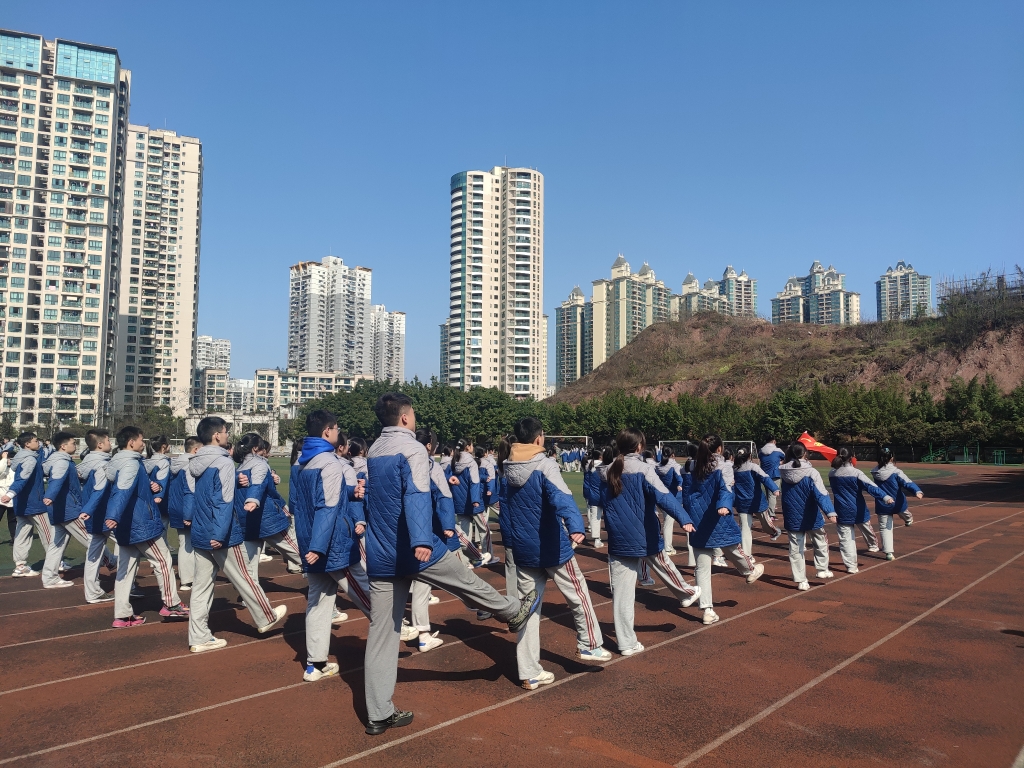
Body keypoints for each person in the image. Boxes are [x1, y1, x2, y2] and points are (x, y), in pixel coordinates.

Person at [362, 392, 540, 736]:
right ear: (404, 418)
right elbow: (415, 494)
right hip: (410, 547)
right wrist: (420, 541)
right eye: (412, 415)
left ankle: (378, 713)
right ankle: (510, 612)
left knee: (381, 634)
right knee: (463, 578)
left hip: (381, 551)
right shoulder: (412, 448)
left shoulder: (374, 450)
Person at [500, 417, 611, 690]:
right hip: (552, 546)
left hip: (524, 550)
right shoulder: (545, 464)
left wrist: (511, 544)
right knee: (578, 593)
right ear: (539, 438)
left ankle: (529, 672)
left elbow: (505, 512)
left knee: (528, 609)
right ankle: (589, 644)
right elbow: (562, 496)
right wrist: (576, 525)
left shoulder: (505, 468)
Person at [188, 417, 286, 652]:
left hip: (200, 529)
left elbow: (205, 495)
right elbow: (222, 501)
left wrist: (237, 482)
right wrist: (220, 534)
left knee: (201, 587)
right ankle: (266, 616)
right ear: (216, 436)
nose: (227, 435)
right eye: (225, 431)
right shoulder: (223, 463)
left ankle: (199, 636)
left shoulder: (195, 463)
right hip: (222, 532)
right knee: (245, 576)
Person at [602, 428, 700, 655]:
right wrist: (684, 519)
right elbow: (663, 496)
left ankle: (626, 644)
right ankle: (685, 593)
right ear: (639, 447)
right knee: (663, 562)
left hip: (618, 537)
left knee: (622, 596)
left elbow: (600, 500)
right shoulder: (645, 469)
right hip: (643, 533)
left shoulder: (607, 471)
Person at [292, 411, 372, 682]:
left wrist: (351, 493)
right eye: (337, 428)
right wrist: (320, 546)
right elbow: (326, 507)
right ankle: (397, 628)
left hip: (310, 540)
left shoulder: (302, 462)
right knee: (364, 591)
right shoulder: (330, 463)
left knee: (318, 602)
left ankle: (315, 664)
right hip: (331, 543)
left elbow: (309, 502)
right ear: (328, 431)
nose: (339, 433)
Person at [104, 426, 189, 627]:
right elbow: (122, 491)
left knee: (126, 570)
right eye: (141, 440)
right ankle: (171, 604)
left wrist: (151, 487)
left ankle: (122, 615)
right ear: (131, 442)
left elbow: (124, 488)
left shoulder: (118, 462)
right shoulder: (130, 464)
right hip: (140, 522)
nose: (144, 443)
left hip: (127, 523)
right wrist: (112, 515)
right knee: (163, 561)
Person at [683, 436, 765, 625]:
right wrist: (724, 505)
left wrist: (685, 515)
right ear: (719, 449)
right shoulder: (724, 466)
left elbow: (687, 492)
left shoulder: (692, 466)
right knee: (733, 548)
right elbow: (726, 489)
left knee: (702, 566)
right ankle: (748, 570)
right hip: (718, 516)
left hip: (697, 518)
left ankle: (707, 609)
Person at [409, 428, 457, 653]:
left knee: (402, 586)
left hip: (399, 534)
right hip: (426, 534)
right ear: (429, 446)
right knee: (423, 585)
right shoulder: (430, 466)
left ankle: (404, 628)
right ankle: (423, 634)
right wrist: (448, 526)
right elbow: (443, 497)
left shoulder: (401, 462)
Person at [233, 432, 303, 578]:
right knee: (296, 551)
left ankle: (249, 599)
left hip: (246, 519)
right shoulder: (259, 463)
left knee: (249, 566)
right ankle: (324, 574)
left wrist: (271, 478)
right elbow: (257, 484)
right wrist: (253, 499)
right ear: (256, 448)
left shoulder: (240, 467)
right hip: (266, 517)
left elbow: (256, 482)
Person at [779, 443, 837, 590]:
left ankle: (801, 581)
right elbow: (821, 493)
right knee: (820, 540)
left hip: (792, 514)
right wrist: (830, 511)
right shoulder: (811, 472)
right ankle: (822, 569)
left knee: (795, 548)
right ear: (805, 454)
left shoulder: (783, 471)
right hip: (810, 513)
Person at [40, 431, 90, 590]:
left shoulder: (63, 461)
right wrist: (50, 496)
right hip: (69, 509)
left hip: (59, 510)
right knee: (93, 540)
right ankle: (111, 561)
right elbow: (57, 480)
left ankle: (49, 578)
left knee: (56, 545)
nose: (75, 445)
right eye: (73, 443)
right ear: (63, 446)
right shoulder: (62, 461)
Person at [829, 448, 892, 573]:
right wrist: (885, 496)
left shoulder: (832, 474)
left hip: (841, 510)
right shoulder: (856, 473)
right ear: (852, 457)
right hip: (858, 508)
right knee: (866, 527)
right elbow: (870, 486)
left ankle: (851, 566)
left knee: (846, 540)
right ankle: (873, 545)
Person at [3, 432, 52, 578]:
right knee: (48, 534)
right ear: (27, 444)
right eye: (36, 440)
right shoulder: (30, 459)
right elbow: (22, 480)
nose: (39, 443)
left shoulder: (21, 457)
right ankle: (57, 562)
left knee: (22, 535)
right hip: (34, 504)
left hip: (22, 504)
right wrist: (11, 493)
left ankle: (20, 566)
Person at [77, 429, 117, 603]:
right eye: (108, 440)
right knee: (131, 546)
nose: (111, 443)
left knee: (93, 554)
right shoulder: (103, 465)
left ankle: (92, 592)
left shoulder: (84, 464)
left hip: (93, 513)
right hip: (105, 513)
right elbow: (99, 490)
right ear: (100, 444)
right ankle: (129, 587)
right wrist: (89, 509)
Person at [871, 448, 924, 561]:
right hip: (898, 502)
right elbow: (907, 482)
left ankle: (889, 553)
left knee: (885, 528)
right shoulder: (896, 472)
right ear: (892, 458)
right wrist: (917, 491)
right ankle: (908, 519)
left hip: (883, 503)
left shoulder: (875, 472)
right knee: (904, 512)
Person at [732, 446, 781, 557]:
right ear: (749, 456)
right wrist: (775, 488)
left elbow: (764, 478)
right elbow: (765, 478)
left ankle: (774, 531)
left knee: (759, 526)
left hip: (746, 502)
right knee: (746, 528)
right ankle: (747, 556)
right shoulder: (750, 467)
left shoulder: (736, 468)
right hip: (754, 502)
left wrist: (773, 488)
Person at [167, 436, 199, 590]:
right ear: (196, 450)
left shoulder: (175, 463)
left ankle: (187, 579)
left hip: (175, 507)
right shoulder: (190, 465)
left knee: (184, 543)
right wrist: (188, 514)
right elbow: (190, 491)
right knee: (190, 545)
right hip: (187, 508)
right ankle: (188, 579)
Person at [654, 447, 685, 556]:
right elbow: (679, 477)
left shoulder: (657, 466)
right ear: (673, 454)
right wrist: (680, 484)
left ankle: (666, 546)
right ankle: (667, 547)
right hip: (673, 498)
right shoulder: (674, 465)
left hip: (661, 497)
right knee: (671, 522)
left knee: (667, 522)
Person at [144, 435, 172, 542]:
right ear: (164, 446)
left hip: (148, 499)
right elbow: (162, 480)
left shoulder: (147, 461)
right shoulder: (164, 462)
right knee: (162, 527)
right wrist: (159, 495)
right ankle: (162, 547)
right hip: (162, 501)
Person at [582, 449, 605, 548]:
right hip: (604, 495)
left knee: (595, 517)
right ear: (600, 456)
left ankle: (597, 539)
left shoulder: (589, 466)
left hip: (593, 495)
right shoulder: (604, 466)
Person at [759, 438, 786, 518]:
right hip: (775, 474)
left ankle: (768, 510)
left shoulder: (761, 451)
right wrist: (780, 462)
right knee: (772, 494)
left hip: (764, 474)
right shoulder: (778, 450)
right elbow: (785, 458)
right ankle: (771, 514)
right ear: (774, 441)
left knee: (768, 493)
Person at [0, 448, 15, 545]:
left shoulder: (15, 469)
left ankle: (14, 538)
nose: (9, 460)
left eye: (11, 459)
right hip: (1, 497)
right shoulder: (2, 467)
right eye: (8, 459)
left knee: (13, 520)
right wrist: (4, 459)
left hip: (13, 498)